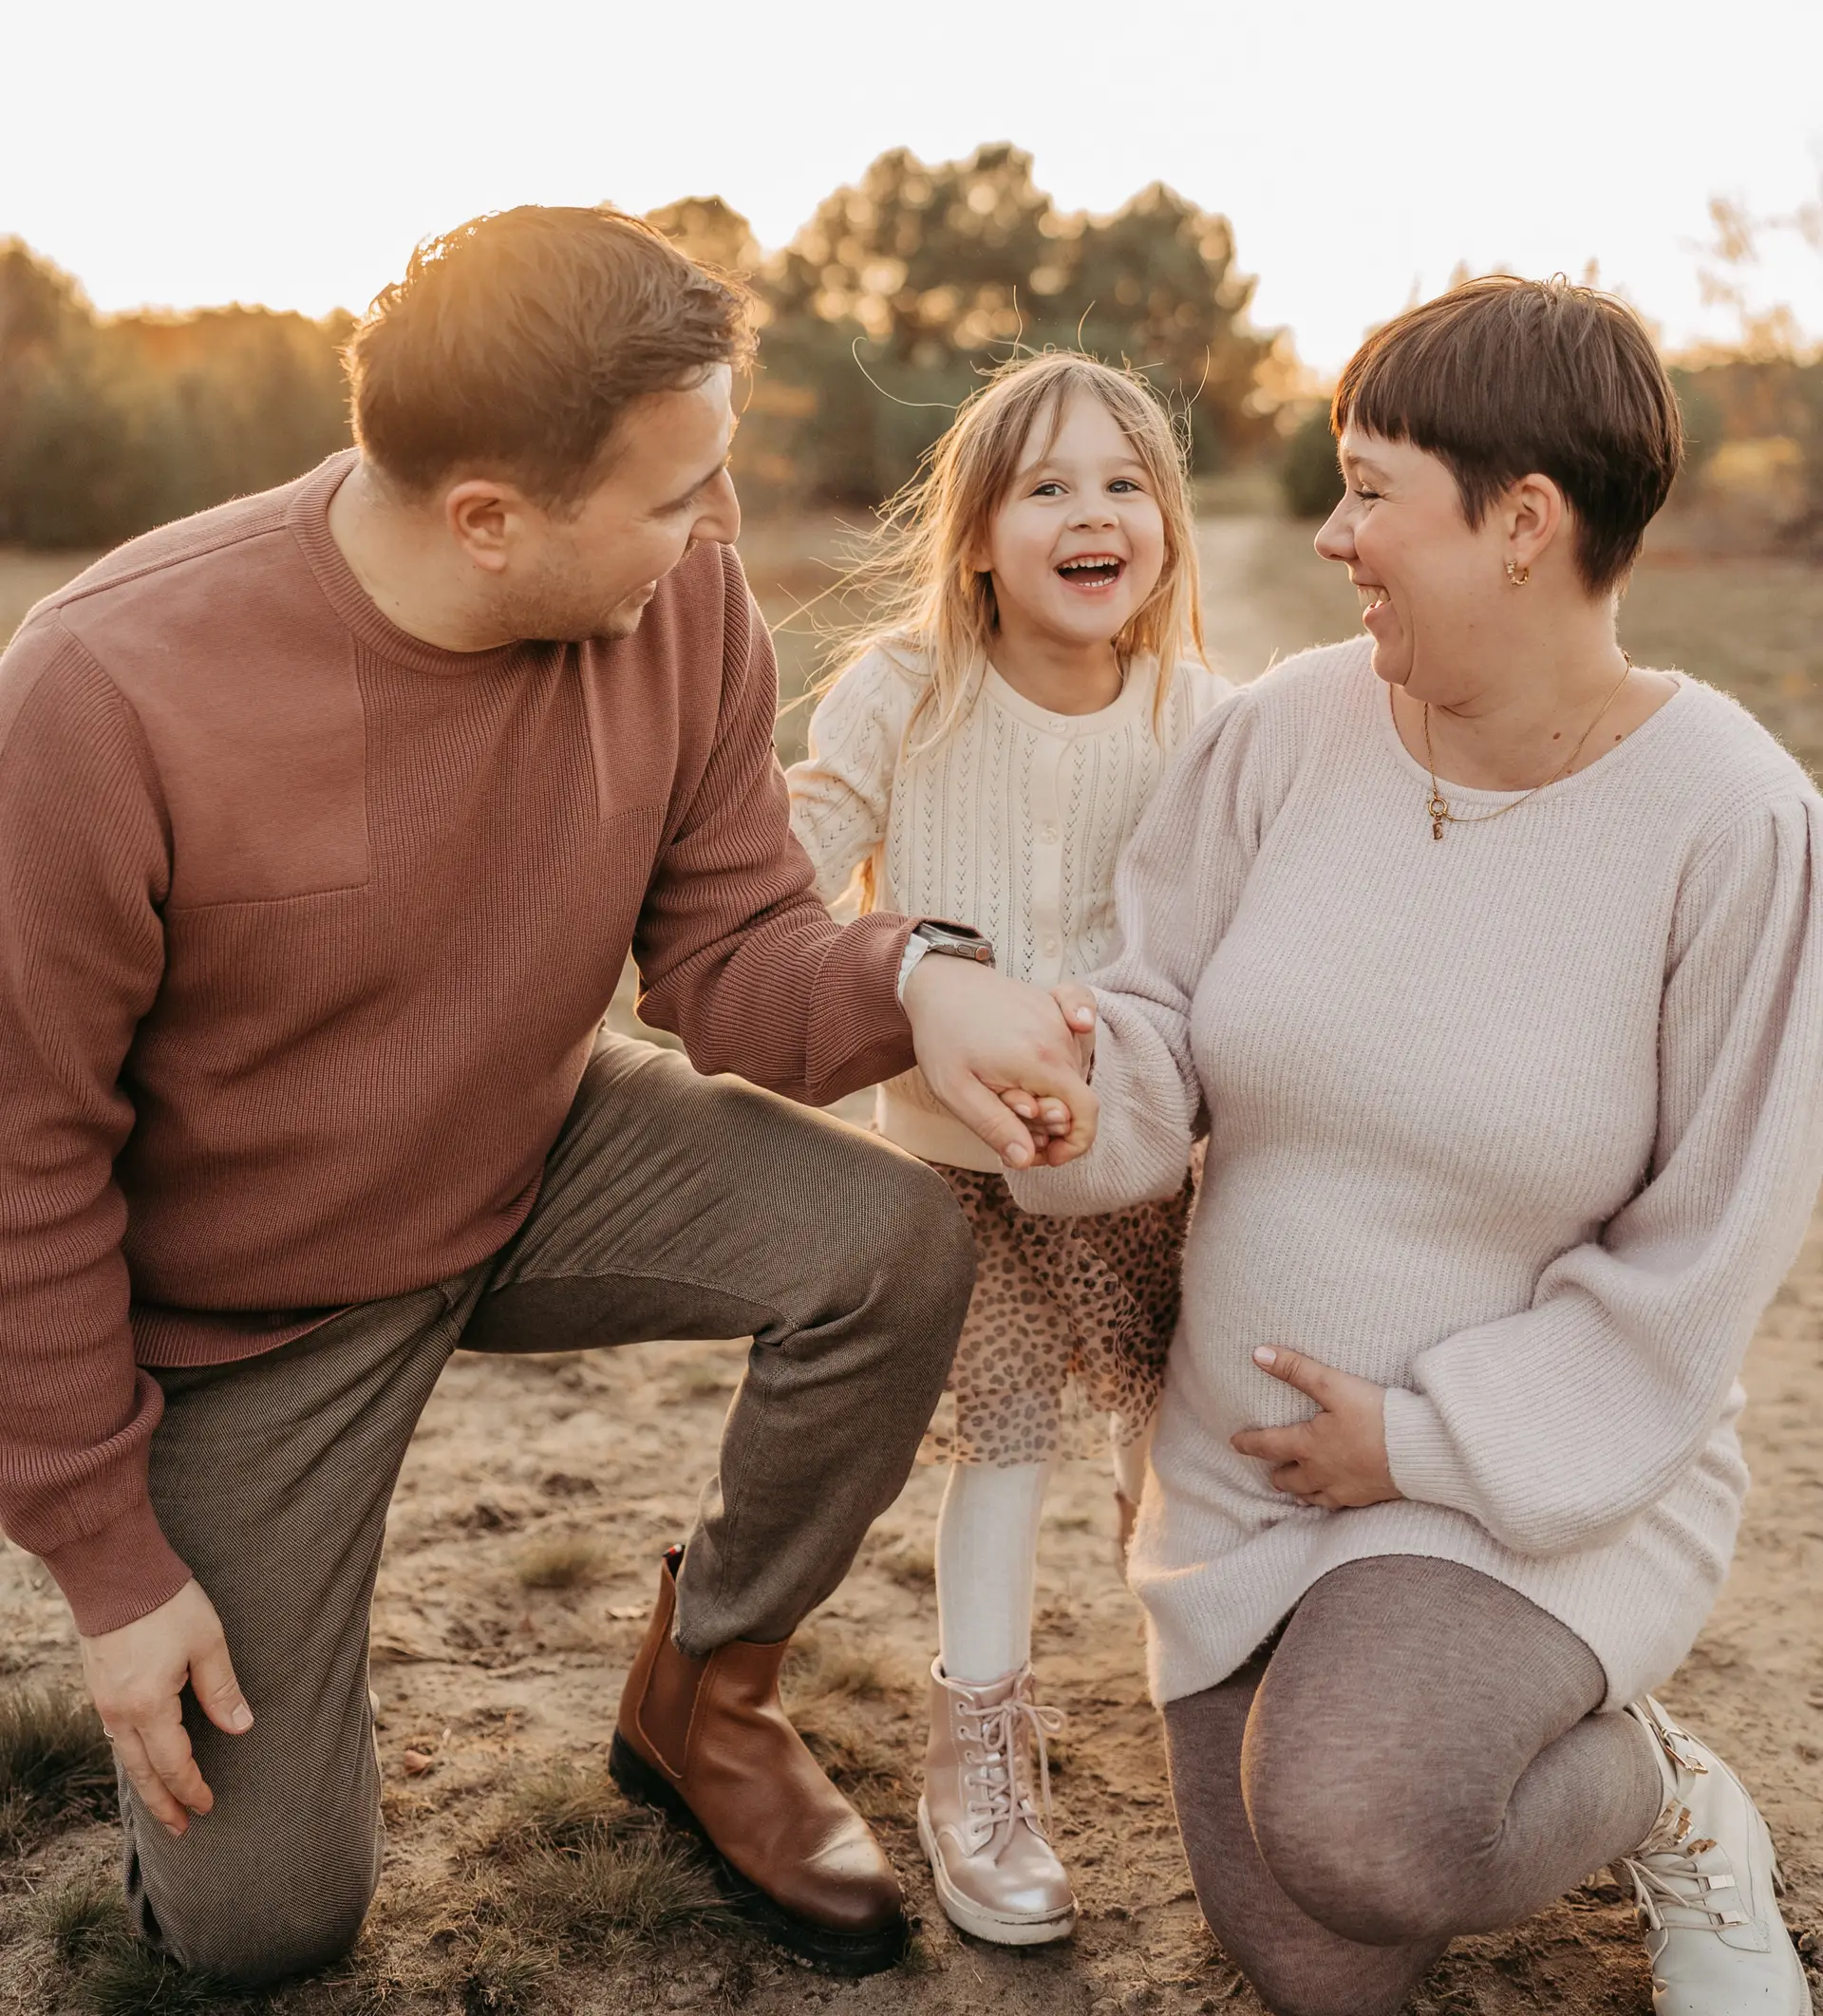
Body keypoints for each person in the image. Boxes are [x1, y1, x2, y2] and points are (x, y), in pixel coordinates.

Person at [0, 205, 1101, 1989]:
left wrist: (918, 980)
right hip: (240, 1309)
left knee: (888, 1238)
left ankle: (707, 1693)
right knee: (267, 1930)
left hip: (528, 1146)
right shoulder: (102, 687)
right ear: (489, 519)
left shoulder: (682, 616)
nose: (725, 532)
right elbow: (18, 1155)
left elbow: (733, 950)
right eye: (681, 496)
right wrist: (111, 1566)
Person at [1008, 277, 1822, 2016]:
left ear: (1522, 520)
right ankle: (1366, 1703)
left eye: (1374, 489)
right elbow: (1153, 1018)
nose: (1333, 535)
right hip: (1244, 1470)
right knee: (1320, 1959)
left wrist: (1431, 1443)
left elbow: (1705, 1256)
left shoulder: (1735, 824)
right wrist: (1079, 1091)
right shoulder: (1284, 732)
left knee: (1366, 1833)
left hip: (1533, 1485)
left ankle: (1669, 1795)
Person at [788, 353, 1227, 1948]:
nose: (1090, 513)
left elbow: (1235, 930)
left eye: (1124, 486)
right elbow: (792, 866)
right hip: (957, 1166)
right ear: (977, 534)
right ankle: (974, 1753)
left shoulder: (1202, 717)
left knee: (1181, 1438)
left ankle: (1223, 1689)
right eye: (1046, 487)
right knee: (1009, 1441)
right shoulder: (903, 690)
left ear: (1164, 535)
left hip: (1141, 1161)